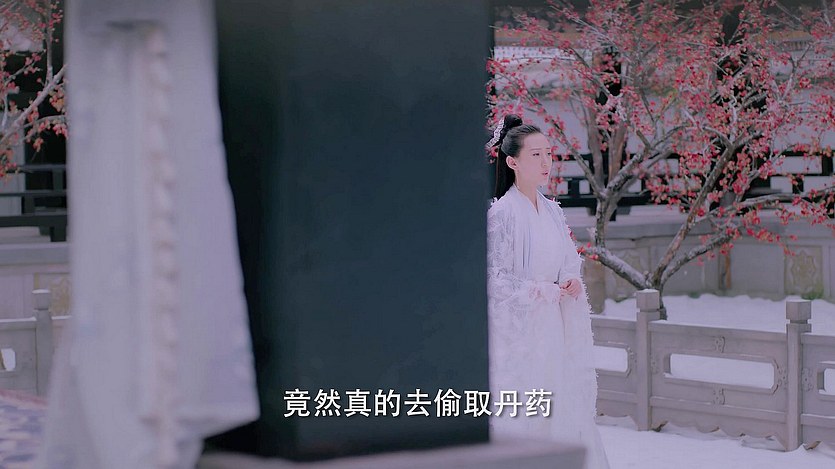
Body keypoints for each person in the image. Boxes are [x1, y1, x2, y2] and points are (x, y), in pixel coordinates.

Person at [486, 114, 610, 469]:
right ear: (513, 162)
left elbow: (568, 261)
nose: (546, 162)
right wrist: (537, 291)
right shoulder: (501, 214)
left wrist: (570, 280)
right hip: (521, 335)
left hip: (553, 328)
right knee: (527, 406)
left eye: (549, 154)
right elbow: (493, 278)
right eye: (536, 154)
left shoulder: (553, 211)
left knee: (560, 403)